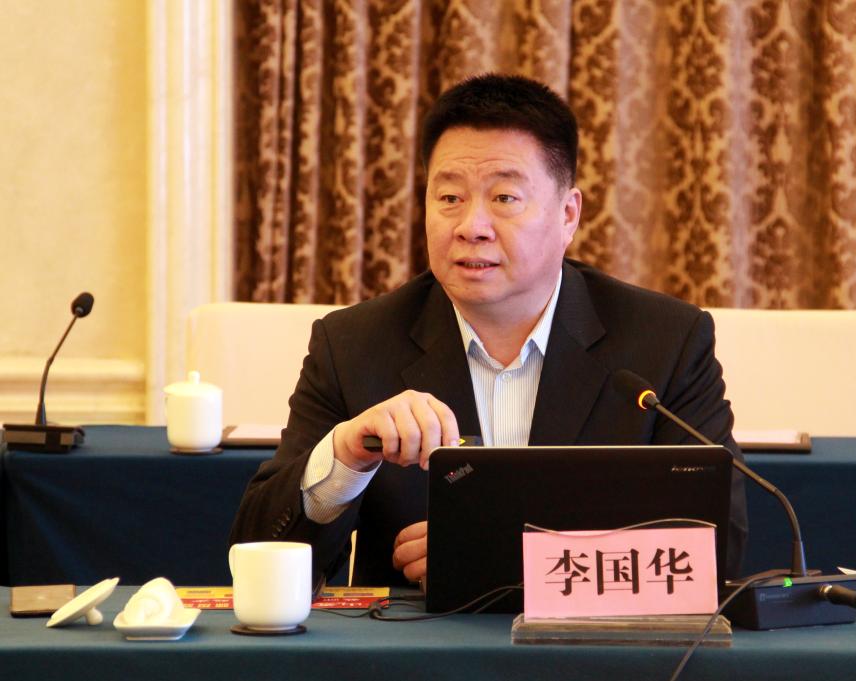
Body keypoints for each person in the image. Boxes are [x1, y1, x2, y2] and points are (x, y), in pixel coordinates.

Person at [229, 74, 748, 591]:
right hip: (417, 642)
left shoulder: (665, 341)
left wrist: (509, 558)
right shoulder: (353, 345)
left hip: (592, 642)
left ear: (568, 214)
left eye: (504, 197)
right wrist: (345, 455)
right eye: (449, 197)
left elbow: (717, 545)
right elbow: (256, 550)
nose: (471, 226)